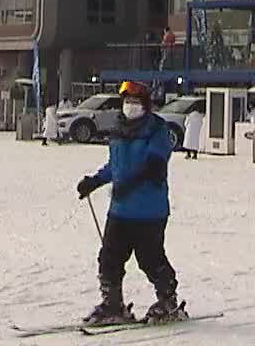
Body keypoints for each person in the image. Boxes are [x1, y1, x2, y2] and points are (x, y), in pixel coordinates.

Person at [74, 81, 184, 326]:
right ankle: (113, 304)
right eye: (126, 102)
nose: (129, 107)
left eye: (135, 102)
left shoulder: (157, 130)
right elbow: (116, 166)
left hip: (148, 211)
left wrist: (129, 184)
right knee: (109, 258)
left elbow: (154, 166)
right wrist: (94, 181)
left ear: (145, 105)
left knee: (150, 258)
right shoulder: (119, 130)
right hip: (121, 209)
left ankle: (168, 300)